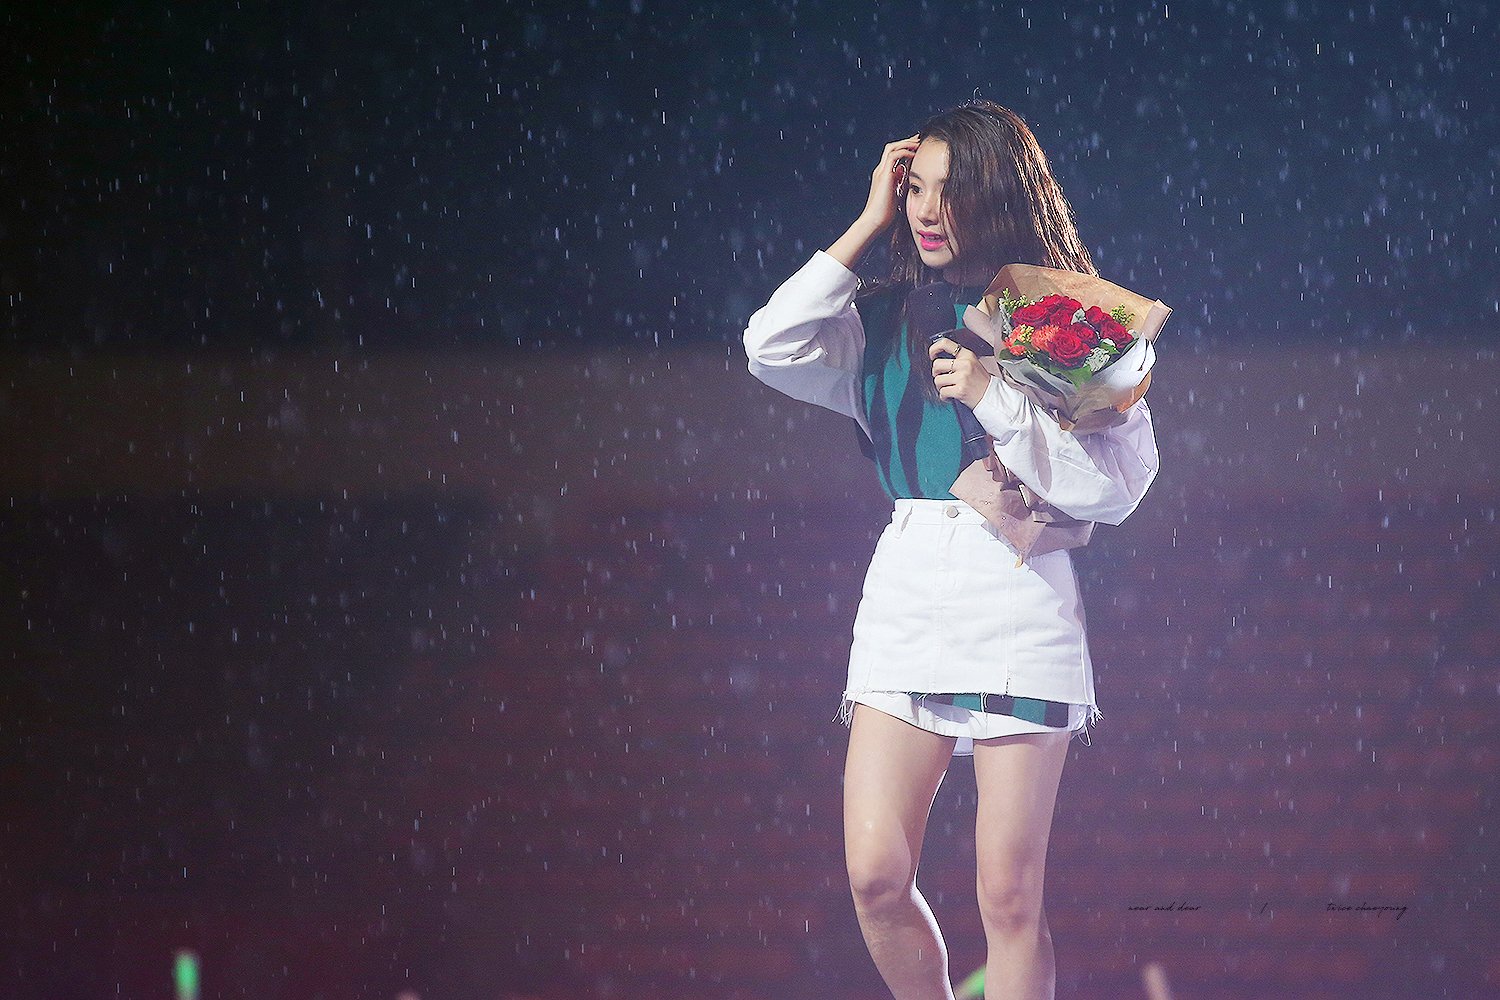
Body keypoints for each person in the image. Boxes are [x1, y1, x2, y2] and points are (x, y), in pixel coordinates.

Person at [741, 101, 1159, 999]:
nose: (928, 211)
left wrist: (993, 397)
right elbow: (768, 346)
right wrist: (866, 224)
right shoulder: (881, 315)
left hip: (1021, 598)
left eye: (950, 191)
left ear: (998, 196)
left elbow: (1115, 489)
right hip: (907, 598)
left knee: (1008, 898)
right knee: (873, 877)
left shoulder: (1063, 318)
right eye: (916, 189)